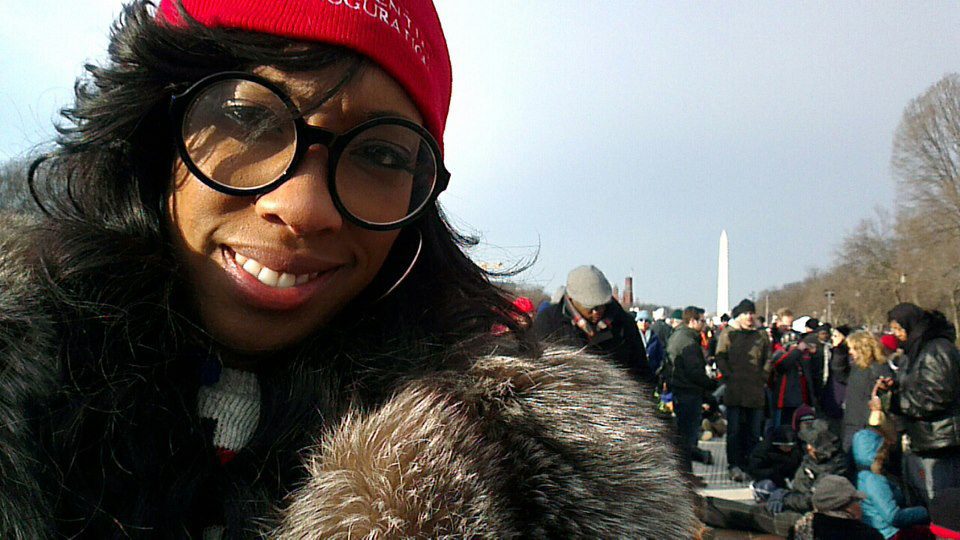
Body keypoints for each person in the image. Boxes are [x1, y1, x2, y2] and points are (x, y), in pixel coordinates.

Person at [0, 1, 700, 537]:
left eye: (380, 155)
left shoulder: (513, 472)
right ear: (157, 124)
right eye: (248, 117)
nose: (302, 208)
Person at [877, 303, 960, 504]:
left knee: (941, 501)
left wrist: (896, 401)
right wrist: (894, 387)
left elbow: (936, 396)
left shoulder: (937, 349)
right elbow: (918, 384)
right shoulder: (914, 351)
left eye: (899, 329)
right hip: (922, 439)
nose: (897, 335)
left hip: (941, 443)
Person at [534, 265, 652, 384]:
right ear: (571, 299)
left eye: (602, 305)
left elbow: (642, 372)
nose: (597, 312)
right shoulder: (549, 322)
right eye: (590, 307)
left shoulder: (624, 323)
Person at [715, 298, 771, 482]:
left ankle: (752, 465)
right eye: (746, 313)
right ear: (739, 316)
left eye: (751, 313)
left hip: (755, 392)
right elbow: (720, 357)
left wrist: (763, 376)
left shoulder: (761, 336)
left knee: (754, 433)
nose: (749, 317)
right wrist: (729, 375)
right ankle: (735, 465)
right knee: (734, 432)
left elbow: (768, 358)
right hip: (735, 391)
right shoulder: (729, 334)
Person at [666, 306, 717, 474]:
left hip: (682, 390)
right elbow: (694, 372)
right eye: (702, 320)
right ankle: (686, 475)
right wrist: (711, 384)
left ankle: (687, 474)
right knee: (687, 437)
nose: (704, 324)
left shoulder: (680, 336)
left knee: (685, 437)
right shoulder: (688, 341)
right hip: (688, 392)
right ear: (693, 321)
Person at [853, 428, 930, 540]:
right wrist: (927, 511)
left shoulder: (862, 476)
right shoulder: (874, 480)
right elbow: (894, 517)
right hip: (890, 534)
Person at [842, 332, 895, 455]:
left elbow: (887, 390)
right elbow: (839, 372)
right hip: (852, 420)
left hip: (868, 423)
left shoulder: (878, 367)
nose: (850, 352)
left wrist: (885, 386)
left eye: (853, 348)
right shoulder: (856, 367)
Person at [788, 475, 884, 540]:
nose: (860, 506)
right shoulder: (866, 535)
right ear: (847, 507)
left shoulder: (802, 528)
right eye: (857, 501)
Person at [636, 309, 665, 376]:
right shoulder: (633, 336)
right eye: (641, 320)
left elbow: (660, 356)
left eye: (646, 321)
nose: (643, 323)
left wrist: (658, 369)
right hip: (637, 371)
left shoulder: (655, 338)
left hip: (651, 371)